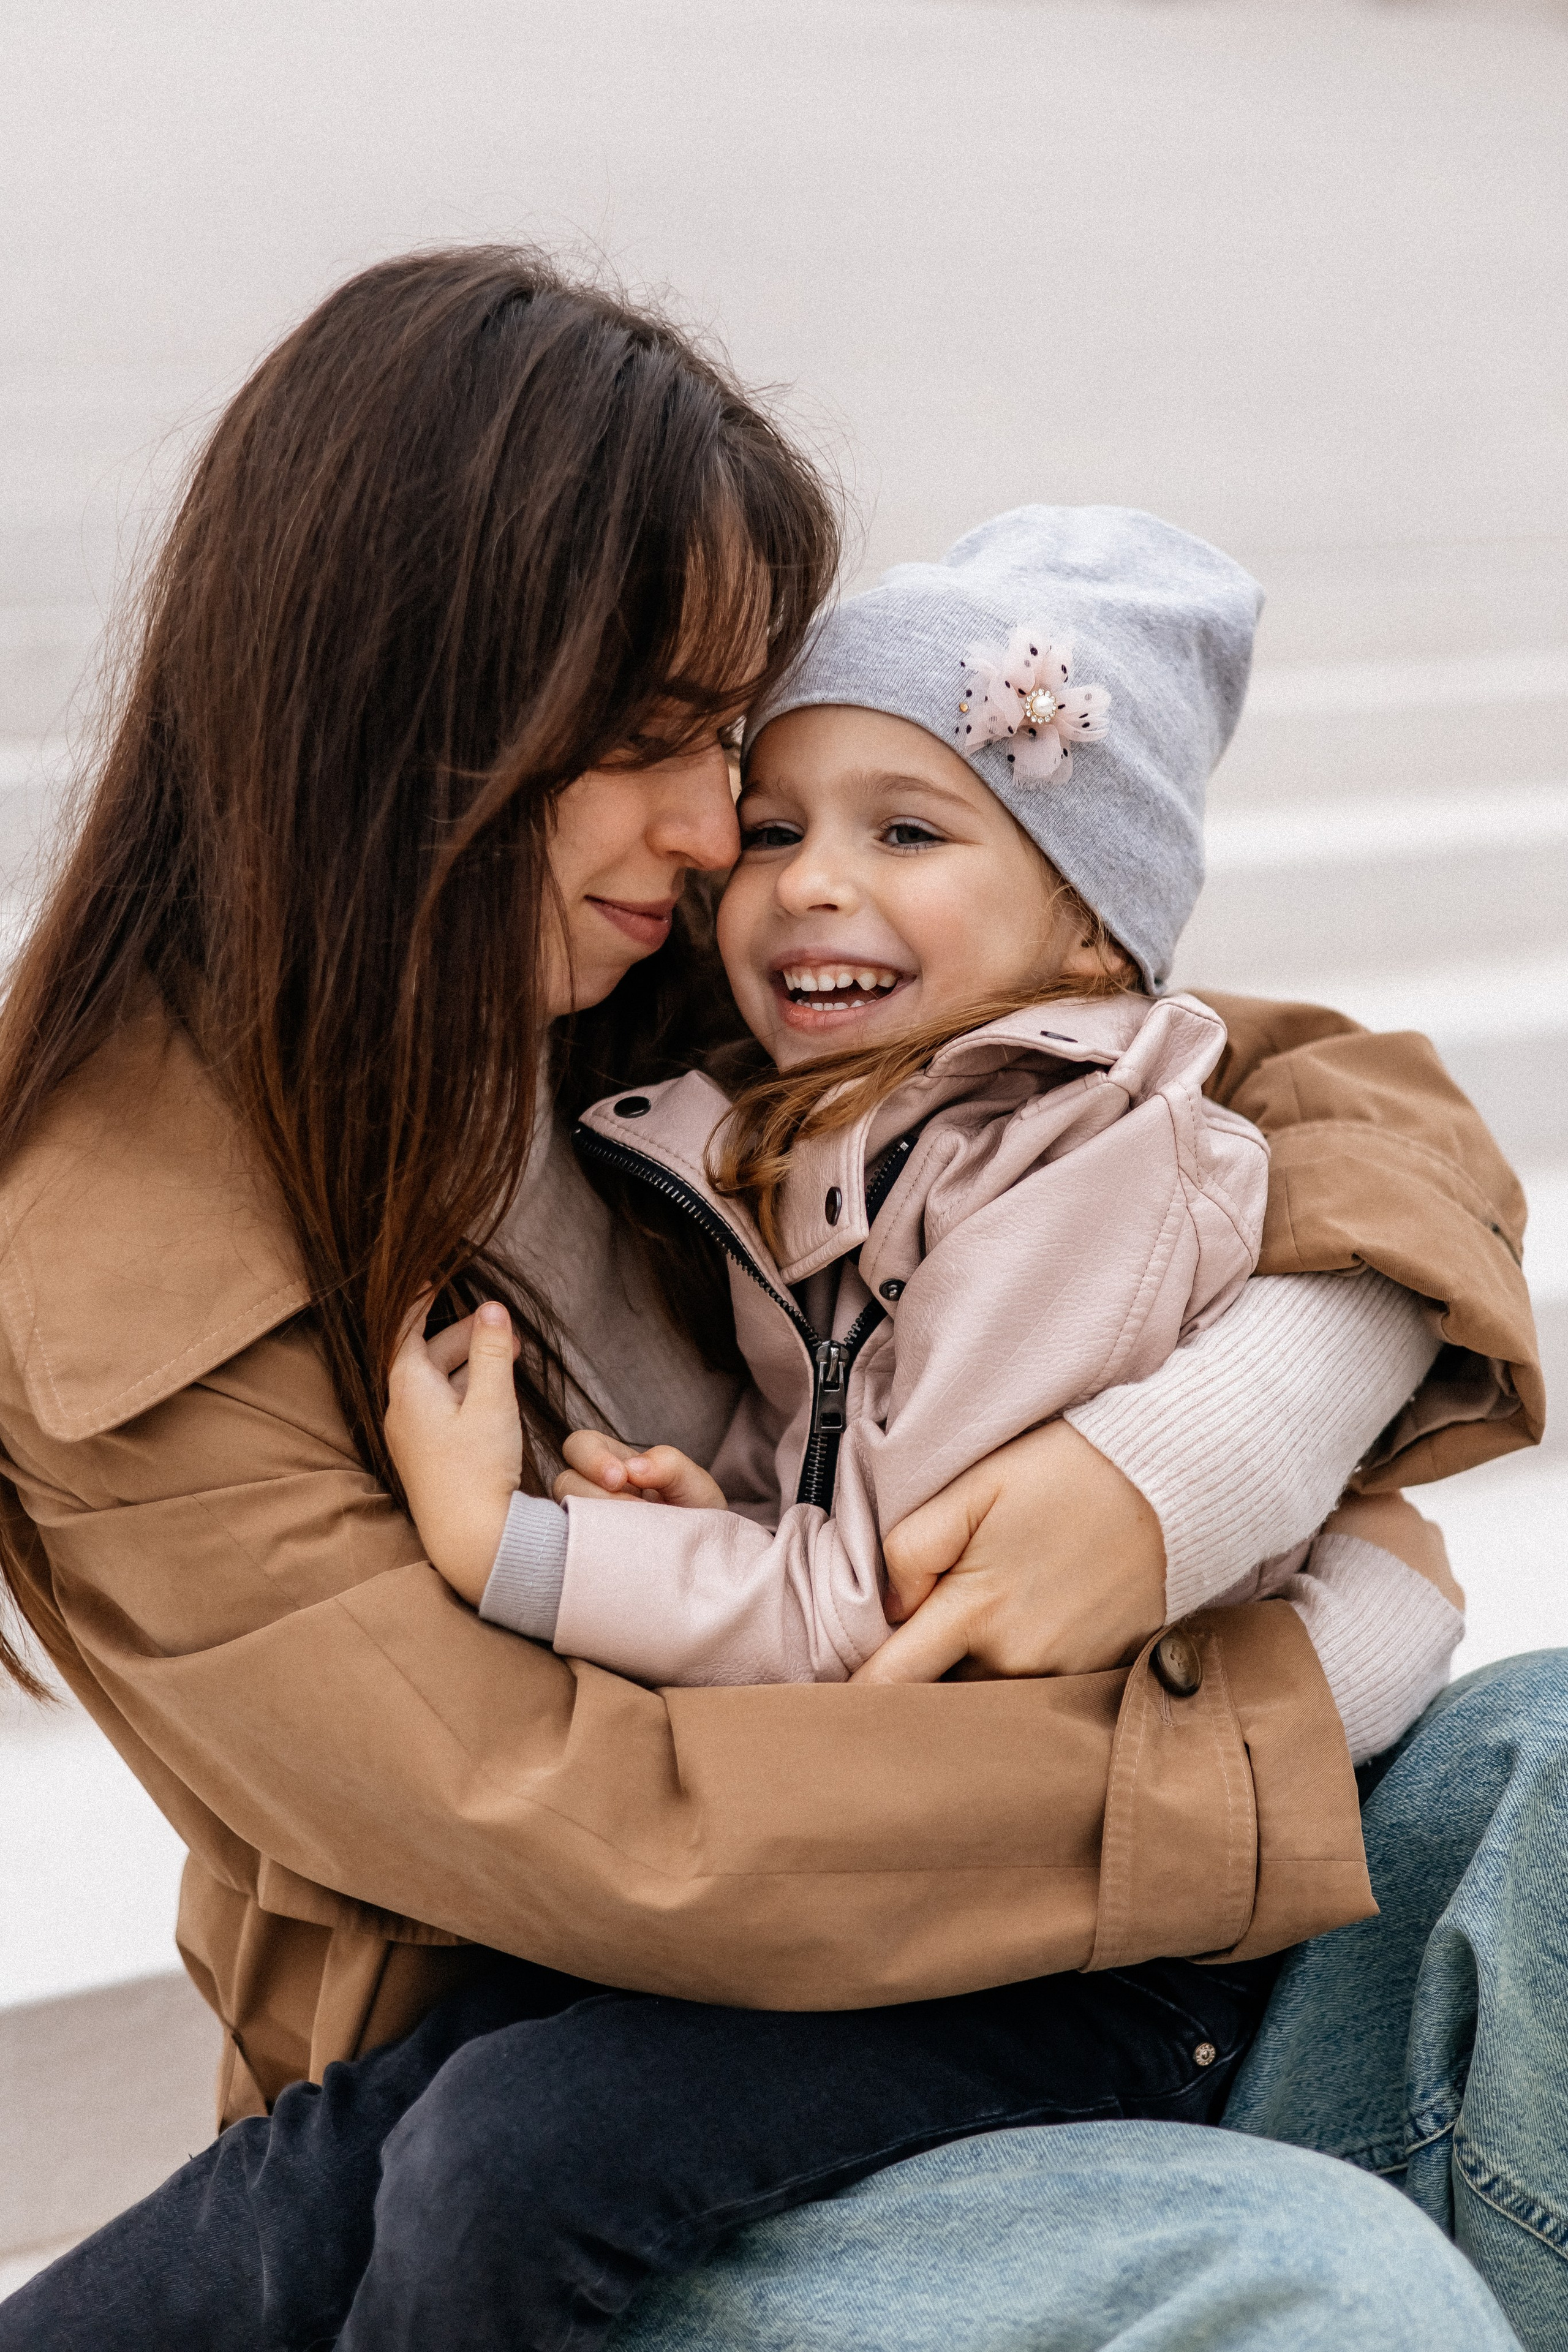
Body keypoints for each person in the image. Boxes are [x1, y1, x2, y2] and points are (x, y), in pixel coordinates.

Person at [0, 249, 1541, 2348]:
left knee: (1552, 1769)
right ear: (415, 710)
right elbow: (599, 1838)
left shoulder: (638, 944)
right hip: (576, 2127)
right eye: (657, 737)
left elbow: (1307, 1087)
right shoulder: (112, 1264)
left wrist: (1210, 1443)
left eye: (726, 734)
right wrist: (1261, 1715)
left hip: (1025, 1970)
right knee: (1309, 2288)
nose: (732, 827)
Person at [353, 505, 1472, 2346]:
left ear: (1093, 923)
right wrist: (695, 1495)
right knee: (451, 2140)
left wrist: (531, 1554)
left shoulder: (1081, 1173)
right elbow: (860, 1487)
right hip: (933, 1866)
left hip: (1064, 1926)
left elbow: (887, 1599)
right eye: (776, 826)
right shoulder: (882, 1124)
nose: (800, 879)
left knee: (517, 2148)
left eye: (908, 830)